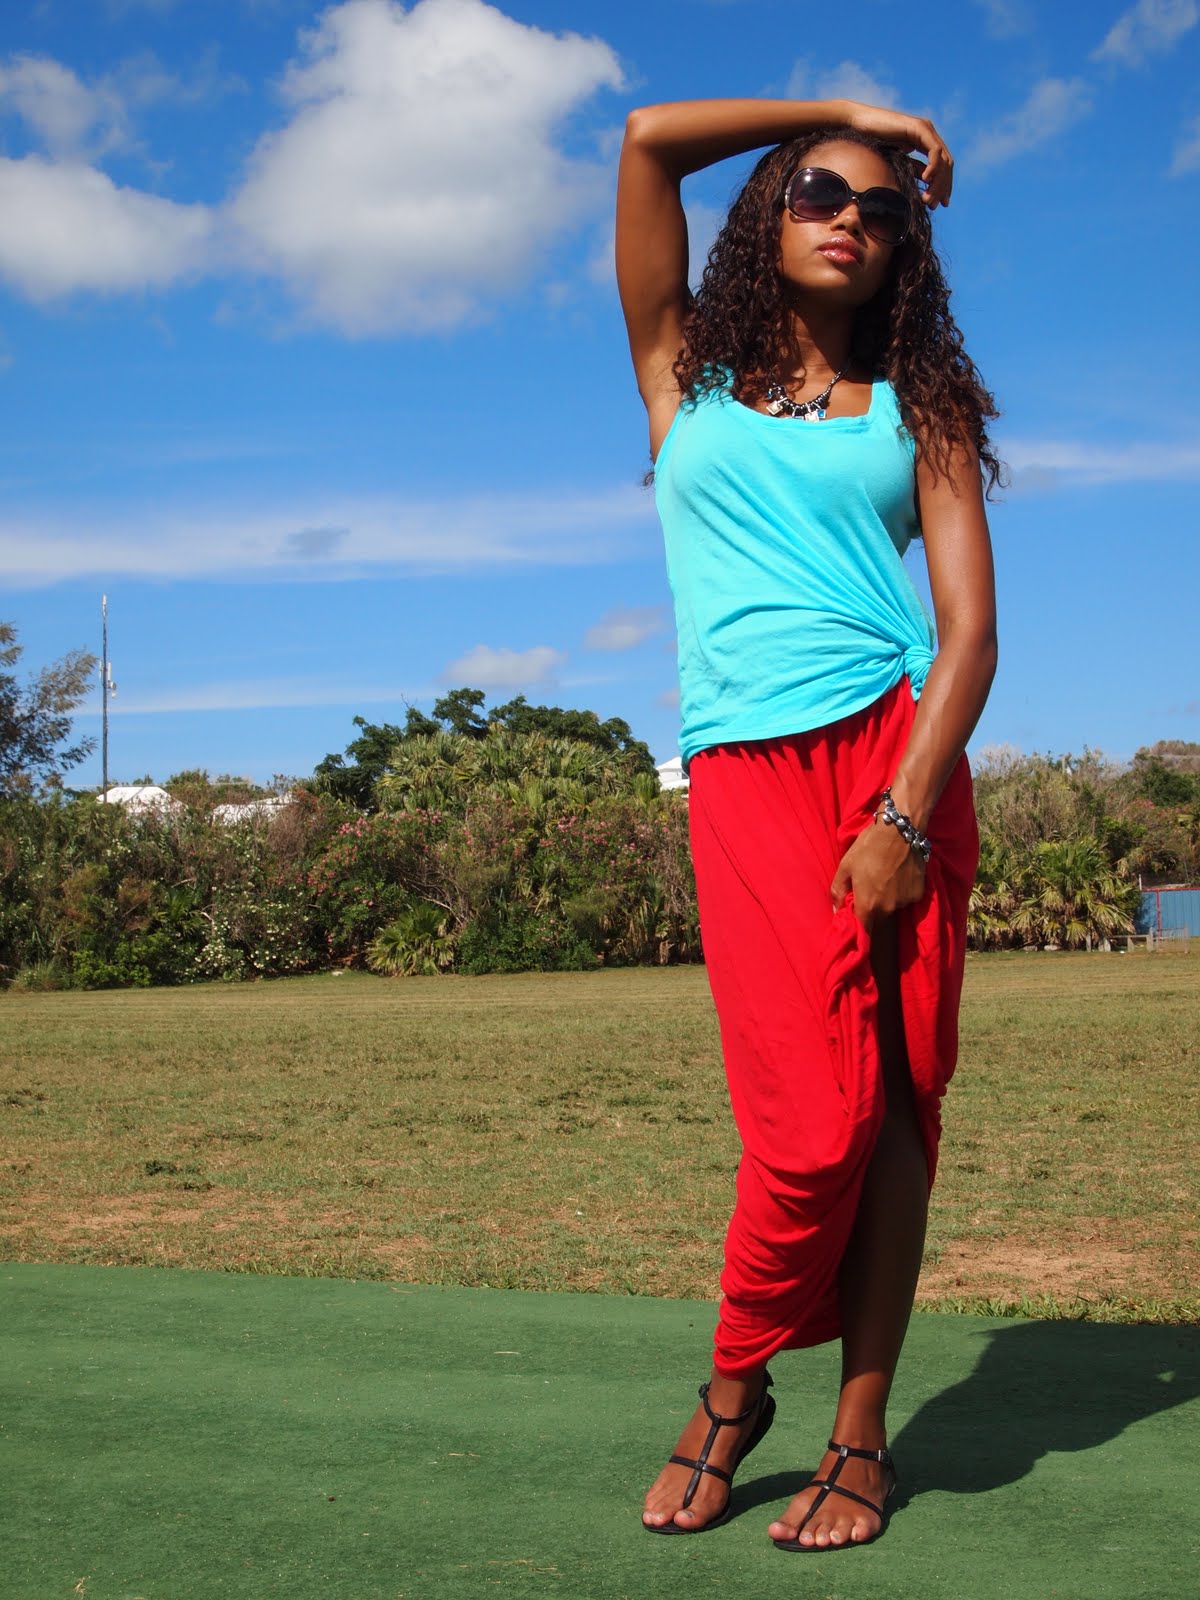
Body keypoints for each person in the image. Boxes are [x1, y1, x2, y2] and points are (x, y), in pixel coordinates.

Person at [615, 97, 999, 1552]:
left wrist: (903, 811)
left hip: (895, 757)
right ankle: (735, 1386)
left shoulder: (923, 409)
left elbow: (969, 635)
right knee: (807, 1119)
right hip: (745, 774)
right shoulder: (683, 377)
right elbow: (648, 143)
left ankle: (859, 1432)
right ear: (767, 216)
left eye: (883, 208)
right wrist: (845, 116)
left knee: (893, 1098)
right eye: (821, 194)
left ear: (907, 250)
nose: (852, 218)